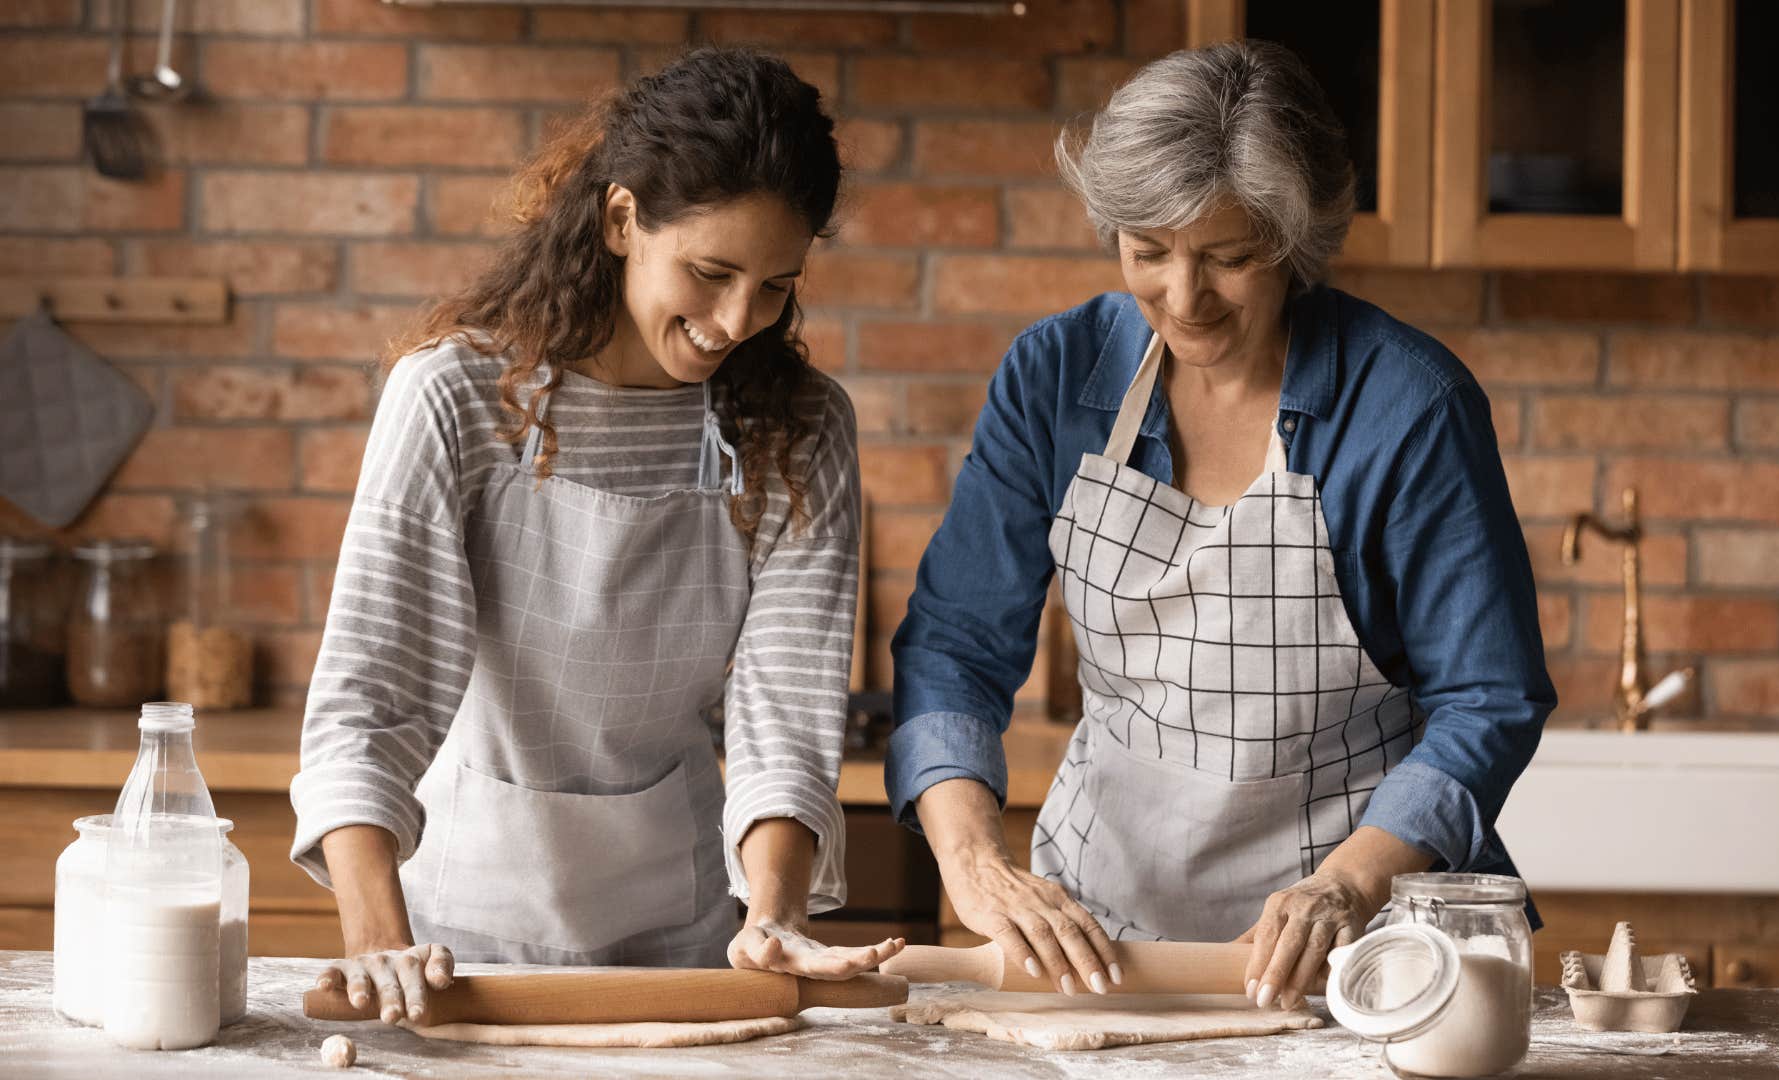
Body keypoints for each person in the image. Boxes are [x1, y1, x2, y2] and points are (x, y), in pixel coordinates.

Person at [886, 39, 1554, 1012]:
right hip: (1097, 941)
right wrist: (975, 863)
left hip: (1356, 950)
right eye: (1148, 251)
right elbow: (954, 647)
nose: (1184, 297)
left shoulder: (1410, 408)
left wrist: (1345, 886)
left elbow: (1490, 699)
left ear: (1293, 243)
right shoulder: (1056, 378)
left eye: (1228, 258)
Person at [289, 47, 899, 1026]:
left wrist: (776, 911)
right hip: (452, 952)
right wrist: (377, 943)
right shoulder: (455, 399)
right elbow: (367, 703)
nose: (738, 321)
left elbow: (785, 705)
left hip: (686, 953)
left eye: (776, 285)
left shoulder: (801, 426)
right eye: (710, 273)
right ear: (622, 221)